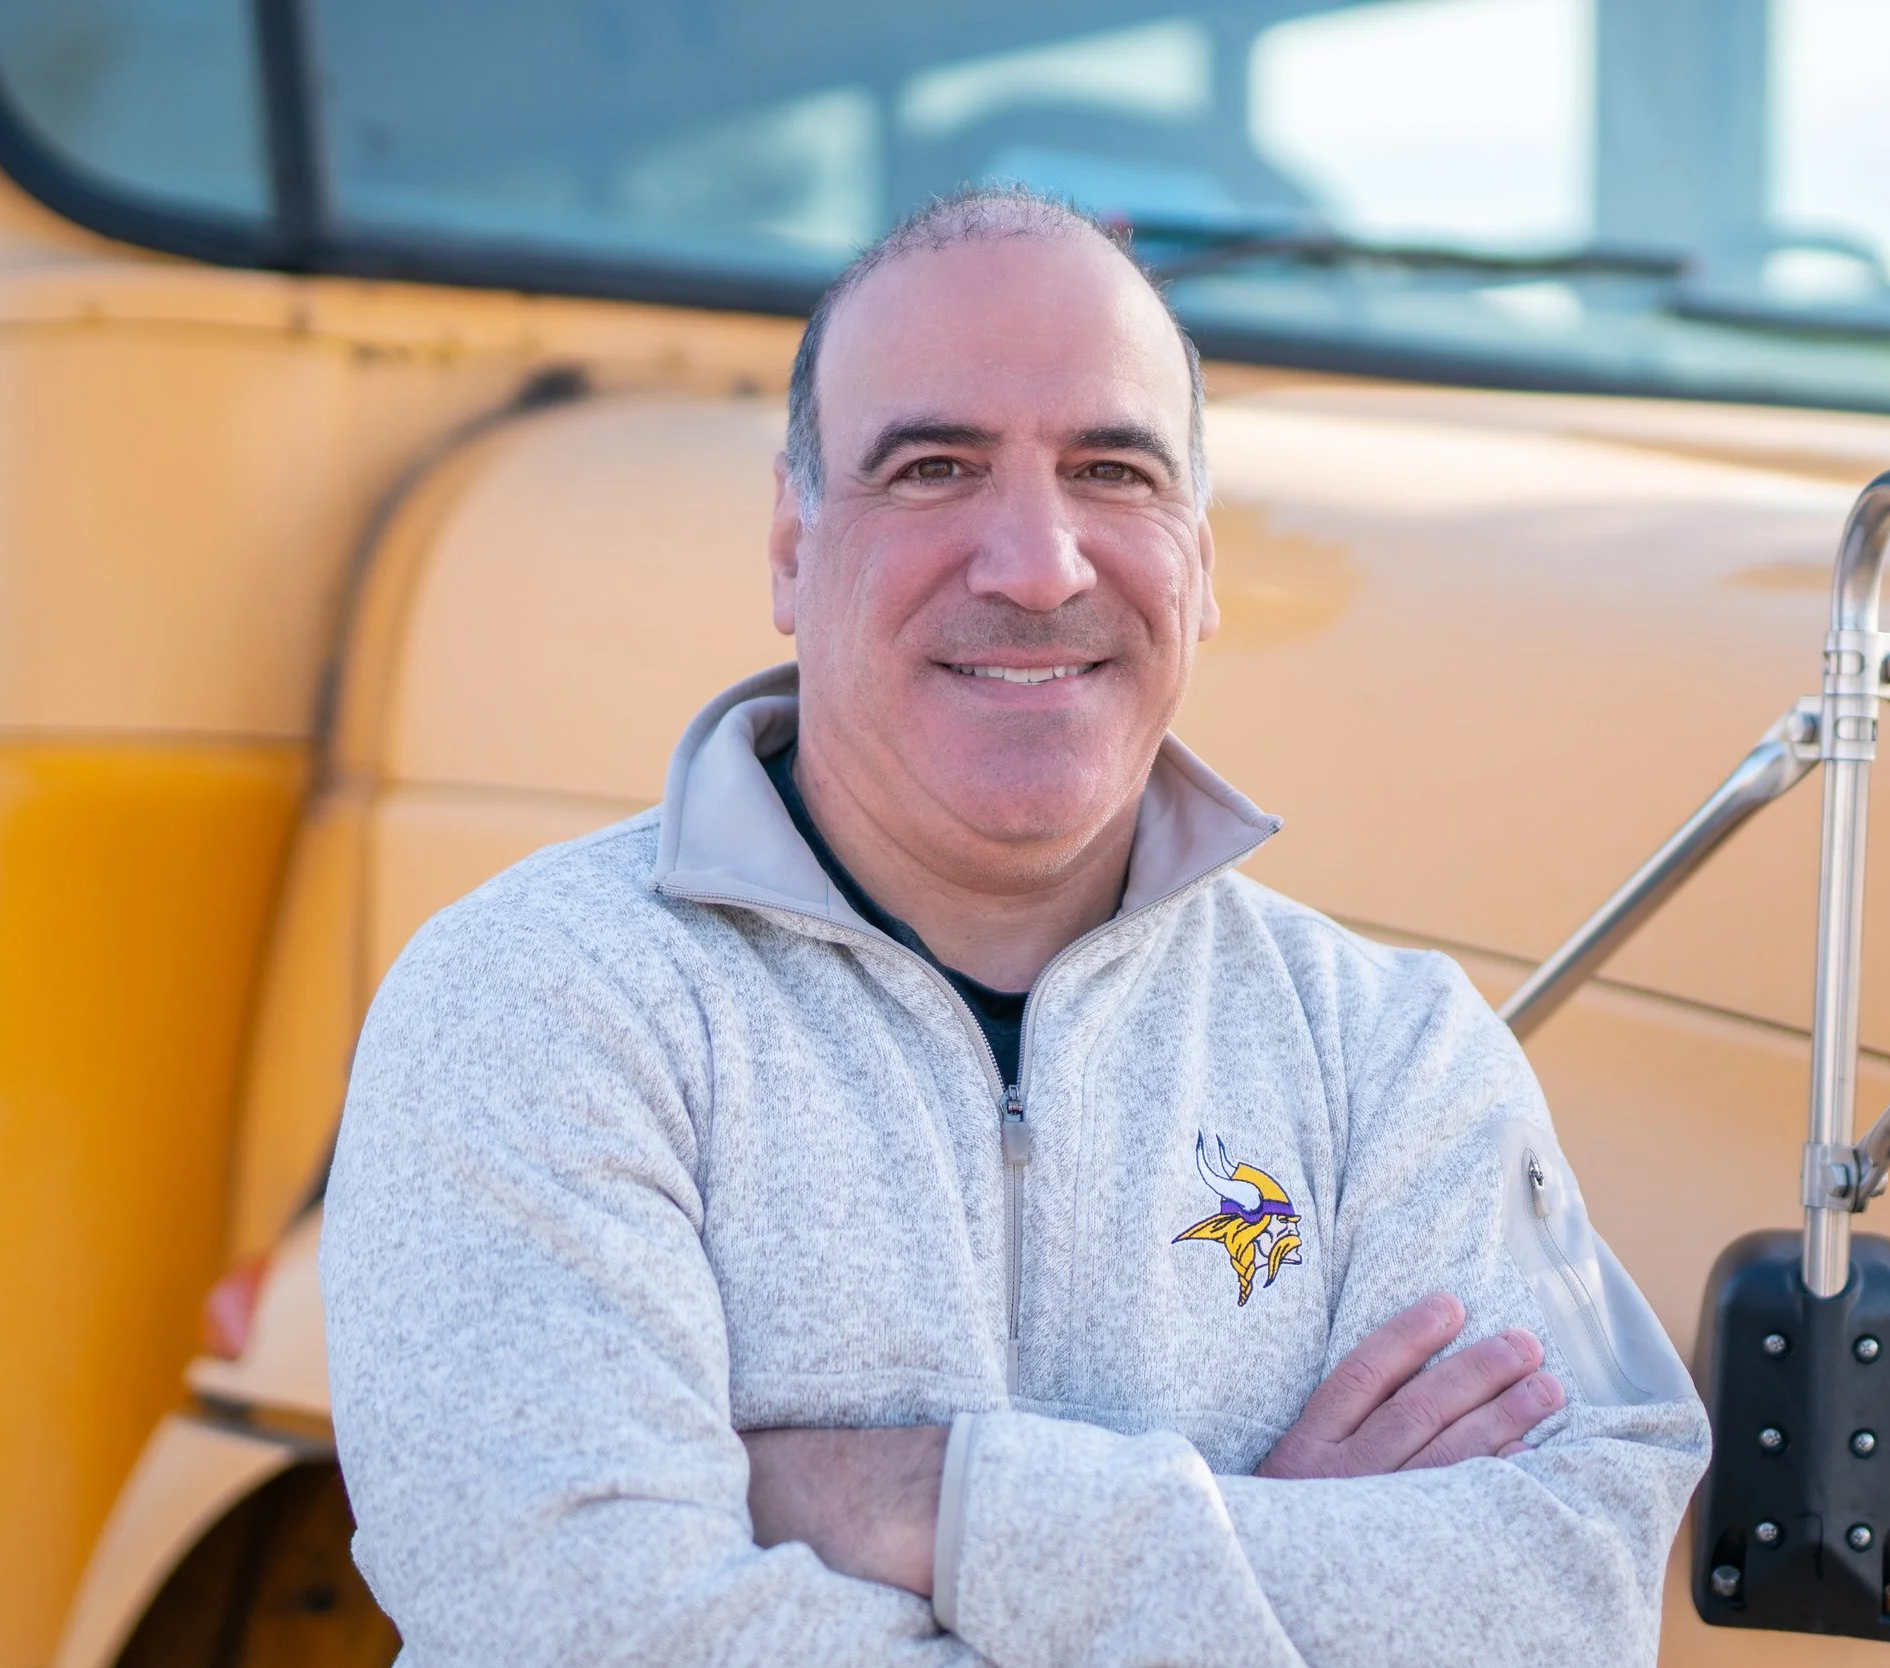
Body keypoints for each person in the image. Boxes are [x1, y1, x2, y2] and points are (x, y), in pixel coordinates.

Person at [322, 186, 1709, 1667]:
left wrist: (947, 1505)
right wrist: (1267, 1549)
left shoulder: (1389, 1055)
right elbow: (590, 1627)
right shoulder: (541, 1005)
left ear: (1200, 554)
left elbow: (1569, 1601)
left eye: (1113, 469)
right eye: (933, 469)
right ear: (792, 547)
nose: (1040, 565)